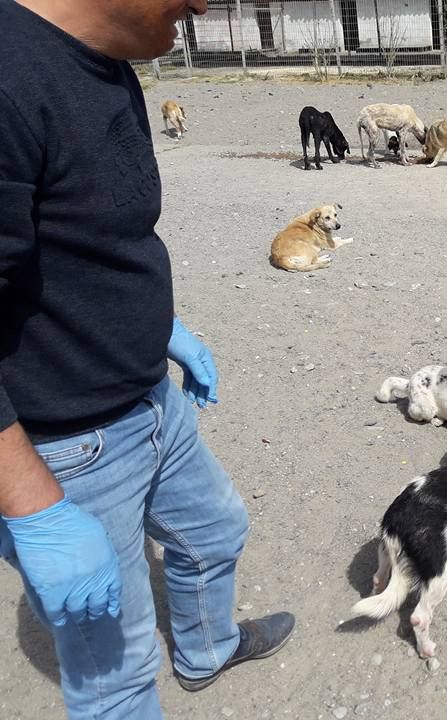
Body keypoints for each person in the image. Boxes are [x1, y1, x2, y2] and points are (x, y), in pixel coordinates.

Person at [0, 1, 294, 718]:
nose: (204, 6)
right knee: (115, 677)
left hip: (149, 398)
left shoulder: (108, 61)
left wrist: (160, 327)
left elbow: (87, 240)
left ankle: (207, 649)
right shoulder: (8, 81)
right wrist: (33, 507)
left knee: (215, 531)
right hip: (63, 446)